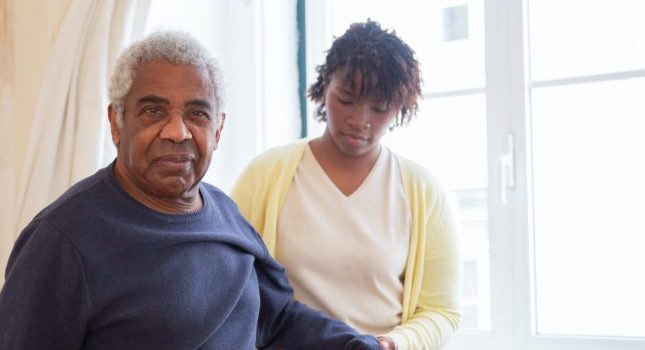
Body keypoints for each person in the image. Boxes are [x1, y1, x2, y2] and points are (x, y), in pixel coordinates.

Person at [0, 31, 382, 350]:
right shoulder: (62, 241)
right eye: (153, 111)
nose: (178, 132)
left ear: (217, 131)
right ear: (116, 123)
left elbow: (277, 319)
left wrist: (355, 344)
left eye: (197, 114)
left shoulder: (225, 214)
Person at [230, 20, 462, 350]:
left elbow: (442, 310)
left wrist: (391, 344)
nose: (359, 120)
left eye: (379, 108)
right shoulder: (265, 175)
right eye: (347, 99)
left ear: (399, 108)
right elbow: (228, 279)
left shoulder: (423, 192)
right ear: (325, 86)